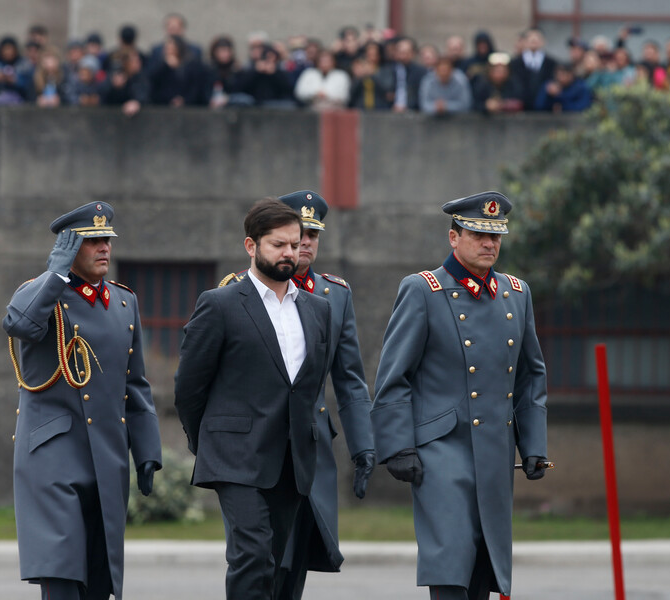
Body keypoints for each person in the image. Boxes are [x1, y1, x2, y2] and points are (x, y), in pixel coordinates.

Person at [372, 191, 548, 600]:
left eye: (496, 236)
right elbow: (394, 375)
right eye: (478, 234)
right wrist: (397, 445)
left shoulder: (517, 293)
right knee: (450, 566)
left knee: (484, 573)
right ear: (454, 237)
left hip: (495, 450)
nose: (489, 244)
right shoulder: (423, 289)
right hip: (441, 452)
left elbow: (529, 377)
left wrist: (534, 443)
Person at [218, 191, 376, 599]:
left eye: (312, 235)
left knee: (297, 563)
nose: (304, 243)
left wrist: (364, 448)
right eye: (297, 235)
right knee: (260, 560)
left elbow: (350, 379)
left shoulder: (335, 294)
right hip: (256, 451)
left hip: (310, 451)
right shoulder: (238, 291)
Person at [3, 201, 162, 600]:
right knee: (61, 572)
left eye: (107, 239)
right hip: (53, 455)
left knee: (97, 575)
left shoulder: (124, 302)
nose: (105, 247)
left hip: (106, 455)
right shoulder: (41, 294)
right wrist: (55, 272)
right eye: (93, 241)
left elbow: (135, 384)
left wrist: (146, 450)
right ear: (70, 247)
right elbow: (19, 324)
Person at [175, 199, 332, 600]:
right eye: (278, 245)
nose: (290, 254)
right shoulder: (220, 303)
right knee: (252, 556)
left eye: (295, 245)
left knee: (277, 563)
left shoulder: (318, 310)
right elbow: (189, 386)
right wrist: (208, 441)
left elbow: (308, 387)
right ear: (251, 246)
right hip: (234, 455)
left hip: (291, 459)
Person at [509, 28, 557, 110]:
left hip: (545, 109)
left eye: (537, 37)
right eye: (530, 37)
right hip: (520, 109)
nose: (534, 40)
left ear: (543, 41)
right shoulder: (514, 63)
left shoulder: (551, 63)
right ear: (524, 41)